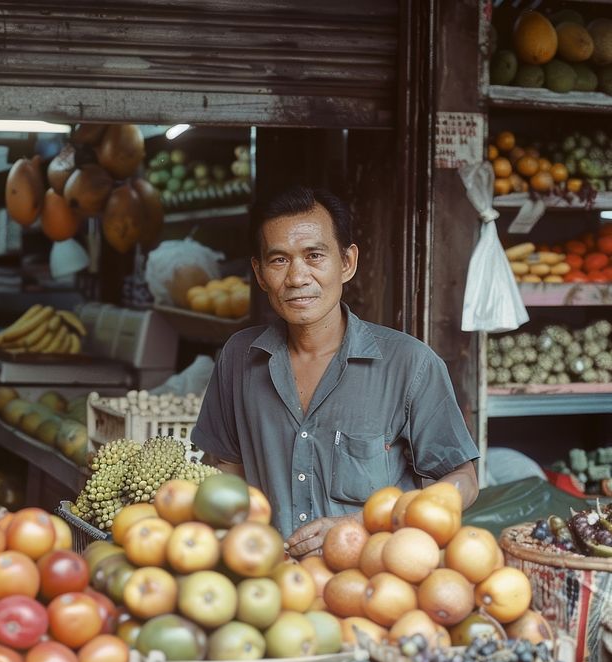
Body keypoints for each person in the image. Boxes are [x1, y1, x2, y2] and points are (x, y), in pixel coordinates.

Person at [191, 185, 479, 558]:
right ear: (259, 274)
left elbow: (463, 481)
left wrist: (363, 525)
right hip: (269, 585)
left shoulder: (410, 364)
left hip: (373, 583)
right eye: (279, 260)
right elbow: (225, 470)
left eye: (314, 256)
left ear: (347, 263)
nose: (297, 277)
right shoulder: (239, 358)